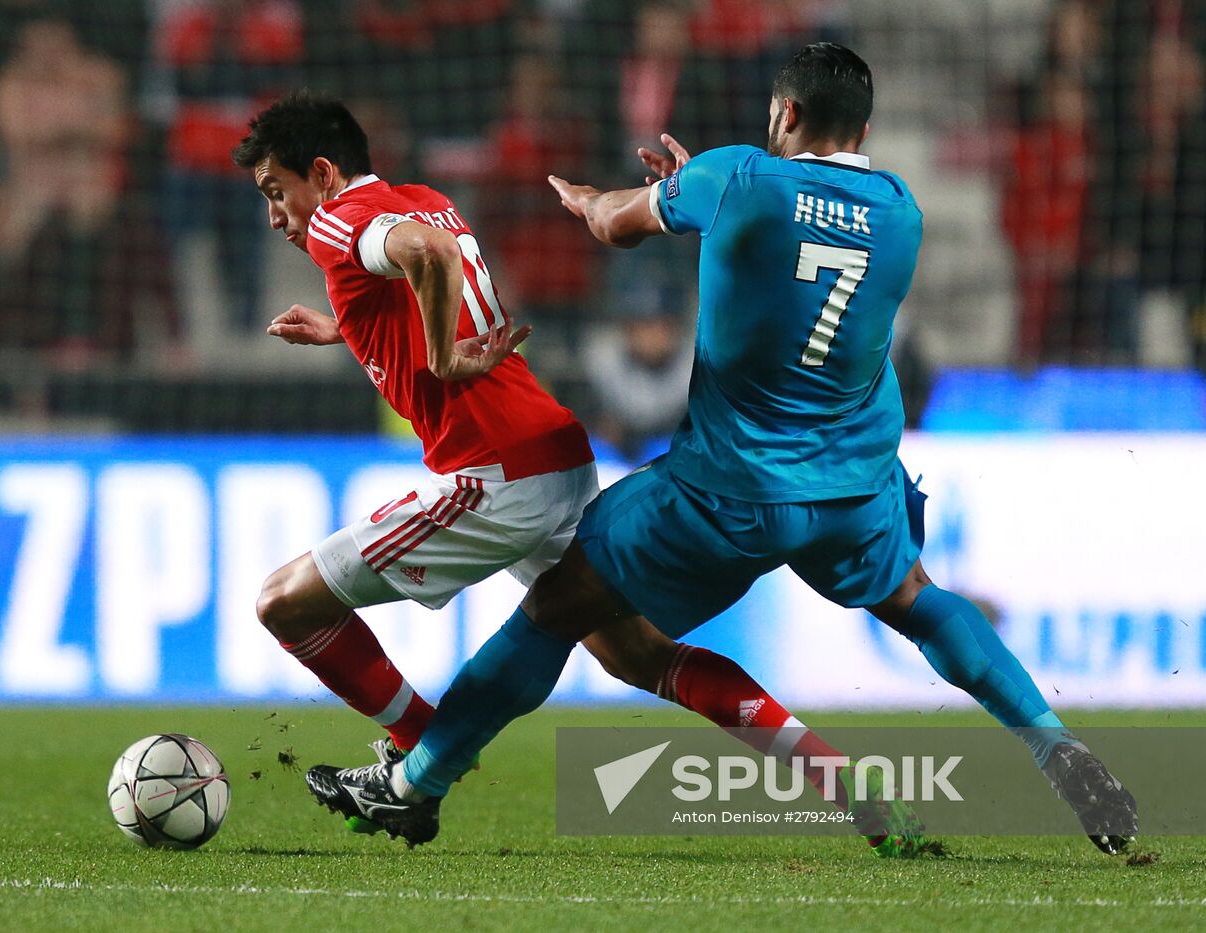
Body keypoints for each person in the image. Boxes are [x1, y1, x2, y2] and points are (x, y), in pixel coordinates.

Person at [304, 44, 1139, 856]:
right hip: (853, 486)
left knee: (558, 607)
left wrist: (624, 195)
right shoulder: (900, 209)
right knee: (919, 599)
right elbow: (799, 256)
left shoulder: (735, 176)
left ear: (786, 112)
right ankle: (1054, 745)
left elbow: (615, 226)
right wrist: (702, 188)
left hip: (726, 491)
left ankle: (414, 783)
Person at [235, 91, 924, 854]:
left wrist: (436, 357)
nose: (276, 217)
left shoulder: (338, 220)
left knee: (283, 604)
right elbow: (430, 265)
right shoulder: (425, 201)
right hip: (556, 454)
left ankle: (421, 751)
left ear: (324, 174)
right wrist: (352, 326)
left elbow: (424, 267)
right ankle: (843, 783)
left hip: (492, 474)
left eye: (276, 192)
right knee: (638, 654)